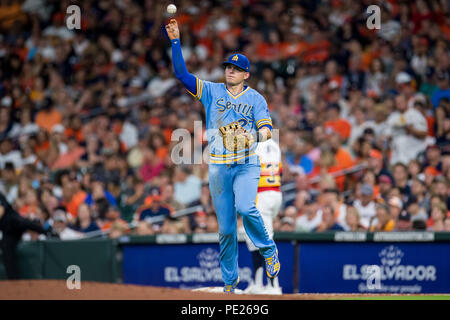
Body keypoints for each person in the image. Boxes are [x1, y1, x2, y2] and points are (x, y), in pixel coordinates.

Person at [166, 19, 279, 293]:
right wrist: (175, 41)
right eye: (229, 66)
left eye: (237, 68)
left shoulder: (256, 99)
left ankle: (268, 250)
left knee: (246, 207)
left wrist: (256, 136)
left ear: (246, 75)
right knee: (226, 230)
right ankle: (230, 283)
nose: (231, 70)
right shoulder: (211, 91)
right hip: (218, 168)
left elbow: (267, 129)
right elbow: (181, 74)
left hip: (245, 164)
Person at [243, 138, 283, 295]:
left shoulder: (253, 146)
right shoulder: (274, 145)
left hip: (261, 195)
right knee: (253, 239)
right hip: (275, 193)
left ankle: (274, 285)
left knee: (264, 240)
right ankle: (259, 283)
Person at [0, 193, 48, 279]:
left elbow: (1, 211)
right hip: (7, 230)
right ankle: (13, 279)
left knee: (29, 224)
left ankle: (47, 232)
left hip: (12, 221)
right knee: (6, 247)